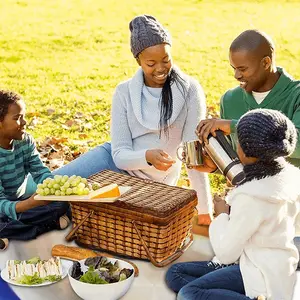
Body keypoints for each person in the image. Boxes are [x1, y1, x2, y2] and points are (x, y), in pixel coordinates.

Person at [52, 15, 213, 225]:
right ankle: (13, 212)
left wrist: (204, 210)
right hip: (112, 163)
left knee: (74, 208)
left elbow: (193, 156)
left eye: (166, 59)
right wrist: (146, 156)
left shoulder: (190, 90)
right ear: (138, 61)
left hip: (149, 185)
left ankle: (59, 217)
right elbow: (119, 155)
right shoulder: (125, 92)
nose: (161, 68)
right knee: (49, 188)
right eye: (151, 63)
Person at [166, 109, 300, 300]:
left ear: (244, 151)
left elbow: (226, 253)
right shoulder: (291, 178)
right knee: (176, 273)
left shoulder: (251, 197)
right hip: (274, 267)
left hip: (259, 276)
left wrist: (222, 215)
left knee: (189, 293)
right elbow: (267, 198)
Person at [195, 29, 300, 256]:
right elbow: (243, 160)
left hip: (289, 209)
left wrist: (235, 125)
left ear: (266, 62)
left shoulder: (296, 95)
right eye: (233, 68)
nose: (236, 76)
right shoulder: (231, 99)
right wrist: (216, 166)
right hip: (249, 208)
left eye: (242, 69)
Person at [0, 90, 70, 245]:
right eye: (17, 118)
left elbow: (40, 171)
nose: (24, 122)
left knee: (63, 203)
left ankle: (11, 232)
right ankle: (47, 225)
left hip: (21, 202)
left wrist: (53, 189)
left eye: (23, 116)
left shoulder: (25, 141)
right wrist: (30, 204)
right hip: (5, 207)